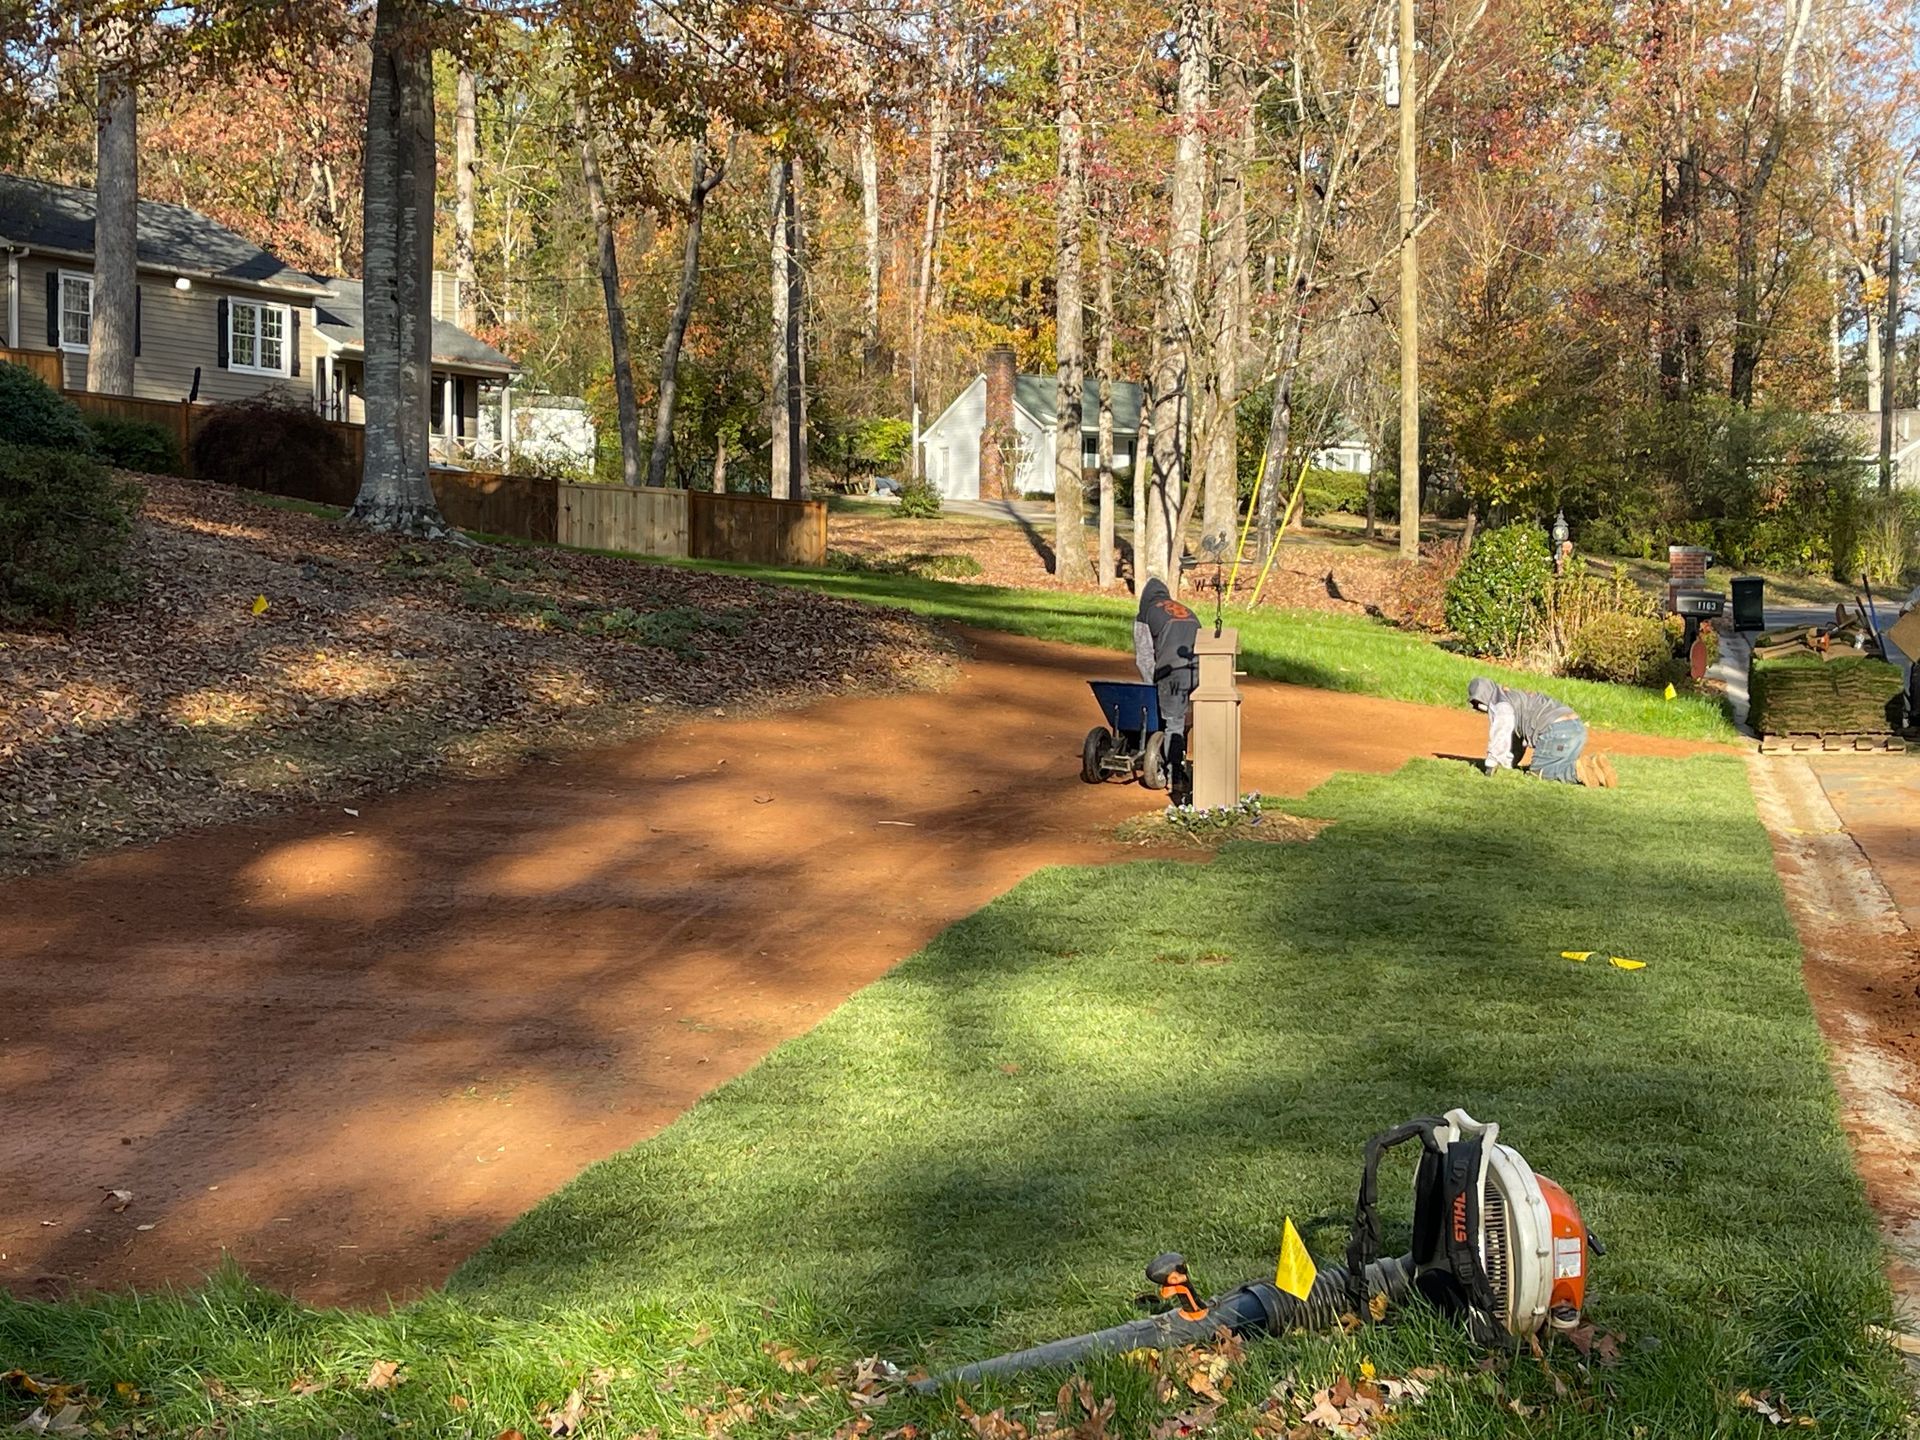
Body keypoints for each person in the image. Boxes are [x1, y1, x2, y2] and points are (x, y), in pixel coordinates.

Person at [1466, 677, 1617, 788]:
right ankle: (1596, 768)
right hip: (1577, 728)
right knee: (1558, 763)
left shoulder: (1500, 705)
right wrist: (1508, 764)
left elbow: (1501, 733)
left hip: (1557, 731)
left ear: (1481, 698)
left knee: (1539, 772)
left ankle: (1576, 771)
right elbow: (1515, 739)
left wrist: (1491, 764)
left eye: (1476, 704)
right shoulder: (1514, 696)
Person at [1135, 578, 1199, 802]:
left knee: (1173, 722)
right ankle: (1184, 756)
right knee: (1184, 720)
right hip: (1200, 670)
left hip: (1172, 672)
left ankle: (1175, 777)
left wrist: (1151, 687)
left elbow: (1144, 656)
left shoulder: (1146, 613)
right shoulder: (1187, 611)